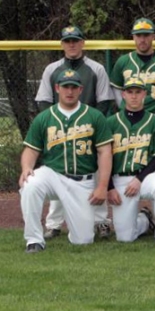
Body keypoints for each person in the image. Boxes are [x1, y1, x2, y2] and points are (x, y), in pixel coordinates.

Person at [19, 70, 113, 253]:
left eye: (73, 87)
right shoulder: (44, 118)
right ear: (57, 88)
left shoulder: (94, 116)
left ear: (80, 90)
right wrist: (26, 167)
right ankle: (34, 240)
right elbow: (31, 149)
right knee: (30, 183)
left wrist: (102, 186)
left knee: (83, 240)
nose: (69, 91)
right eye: (65, 87)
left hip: (82, 181)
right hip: (52, 174)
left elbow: (105, 152)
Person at [36, 26, 113, 240]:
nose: (72, 44)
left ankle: (101, 221)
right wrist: (56, 124)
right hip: (60, 130)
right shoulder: (52, 69)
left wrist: (90, 126)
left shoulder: (96, 69)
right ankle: (54, 224)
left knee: (95, 172)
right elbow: (43, 101)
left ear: (82, 43)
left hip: (88, 131)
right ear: (62, 44)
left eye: (75, 40)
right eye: (68, 41)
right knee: (58, 172)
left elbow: (104, 101)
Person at [107, 77, 155, 248]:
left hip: (146, 176)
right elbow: (104, 158)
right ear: (123, 94)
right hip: (120, 179)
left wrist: (139, 179)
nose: (134, 96)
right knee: (125, 238)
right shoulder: (111, 122)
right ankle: (145, 220)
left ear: (144, 94)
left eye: (138, 92)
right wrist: (110, 187)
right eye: (130, 92)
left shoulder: (154, 121)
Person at [110, 18, 155, 128]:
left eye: (146, 35)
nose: (142, 39)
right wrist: (125, 108)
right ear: (133, 37)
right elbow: (117, 89)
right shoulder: (123, 61)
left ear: (153, 36)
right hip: (129, 117)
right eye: (138, 35)